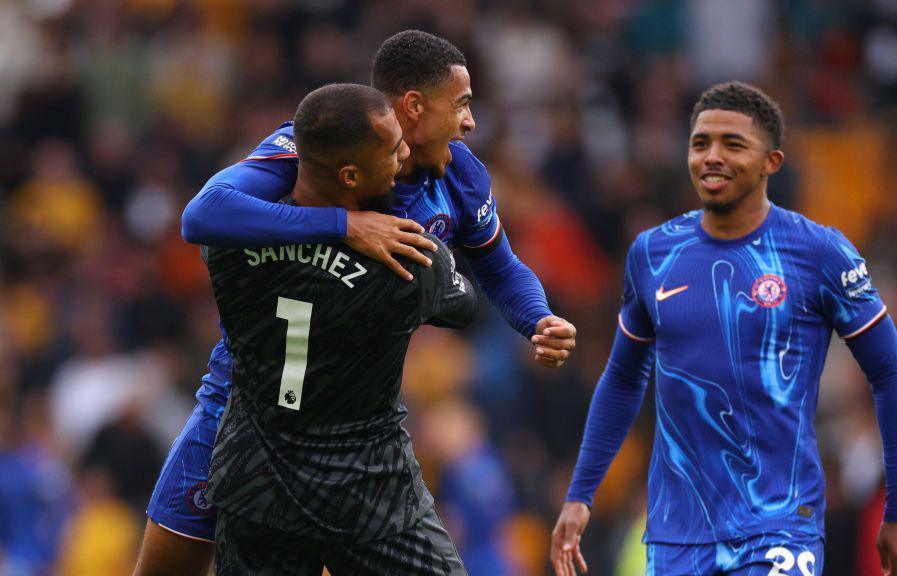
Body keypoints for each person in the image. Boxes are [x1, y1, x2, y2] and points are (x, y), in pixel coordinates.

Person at [135, 30, 576, 576]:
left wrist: (539, 318)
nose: (470, 122)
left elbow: (502, 269)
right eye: (462, 104)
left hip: (354, 428)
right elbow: (201, 215)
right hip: (243, 410)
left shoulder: (459, 175)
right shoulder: (312, 151)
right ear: (414, 107)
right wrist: (343, 224)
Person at [550, 82, 897, 576]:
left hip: (779, 524)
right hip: (676, 534)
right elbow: (623, 379)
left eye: (733, 144)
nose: (712, 157)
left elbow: (891, 375)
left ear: (772, 161)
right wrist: (581, 495)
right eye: (701, 142)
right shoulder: (653, 254)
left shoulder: (819, 253)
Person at [207, 82, 474, 575]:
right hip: (368, 490)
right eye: (393, 150)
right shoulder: (408, 263)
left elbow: (214, 211)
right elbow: (464, 307)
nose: (405, 154)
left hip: (256, 485)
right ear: (350, 174)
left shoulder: (225, 248)